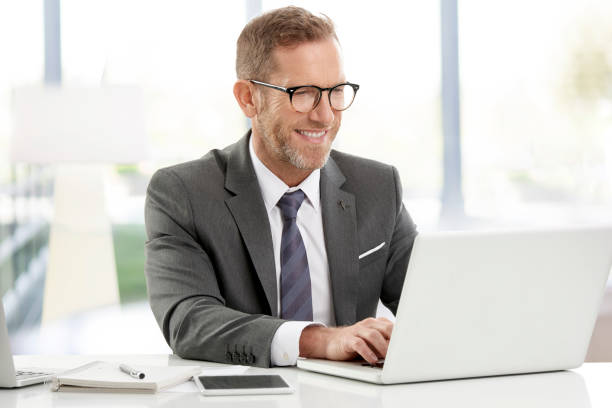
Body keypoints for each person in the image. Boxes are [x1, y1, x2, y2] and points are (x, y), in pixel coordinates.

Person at [144, 6, 418, 368]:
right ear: (248, 98)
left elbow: (434, 307)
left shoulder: (379, 187)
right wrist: (319, 339)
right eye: (302, 93)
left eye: (336, 91)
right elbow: (190, 322)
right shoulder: (183, 193)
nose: (325, 115)